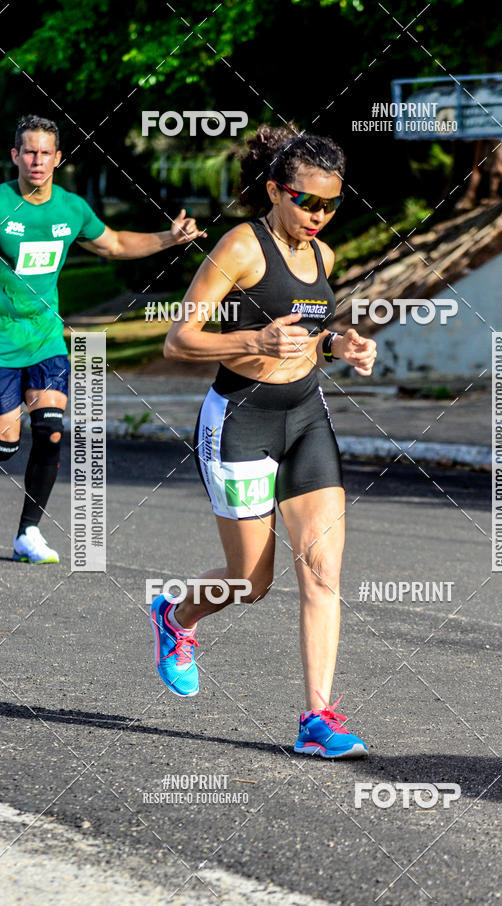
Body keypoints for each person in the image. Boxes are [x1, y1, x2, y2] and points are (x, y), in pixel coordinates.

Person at [149, 124, 377, 759]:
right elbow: (178, 340)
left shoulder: (322, 257)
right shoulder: (241, 248)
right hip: (241, 422)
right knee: (251, 583)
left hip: (305, 415)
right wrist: (253, 341)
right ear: (277, 191)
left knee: (324, 570)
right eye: (307, 202)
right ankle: (176, 617)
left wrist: (342, 344)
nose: (319, 216)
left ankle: (317, 718)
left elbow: (311, 328)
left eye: (331, 204)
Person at [0, 114, 204, 564]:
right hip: (1, 341)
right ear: (15, 156)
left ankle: (28, 533)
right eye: (28, 152)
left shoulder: (71, 209)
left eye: (45, 153)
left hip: (47, 339)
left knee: (51, 432)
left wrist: (169, 238)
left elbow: (114, 244)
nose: (37, 160)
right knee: (6, 443)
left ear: (58, 158)